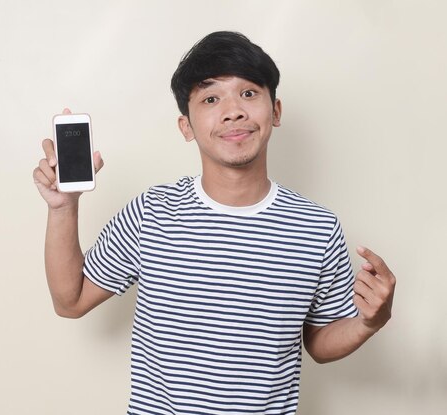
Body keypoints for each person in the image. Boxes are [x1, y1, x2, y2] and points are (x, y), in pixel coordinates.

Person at [33, 31, 396, 415]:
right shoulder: (151, 213)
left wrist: (369, 323)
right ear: (186, 126)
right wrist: (63, 207)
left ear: (275, 110)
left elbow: (319, 343)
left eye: (249, 93)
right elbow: (70, 301)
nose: (233, 111)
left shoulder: (317, 228)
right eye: (210, 98)